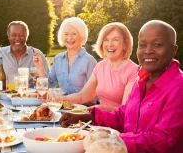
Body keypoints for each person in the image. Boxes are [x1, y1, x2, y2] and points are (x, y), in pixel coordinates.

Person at [59, 20, 183, 153]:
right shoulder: (140, 79)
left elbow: (165, 140)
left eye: (157, 45)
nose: (148, 51)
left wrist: (115, 141)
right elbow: (124, 115)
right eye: (142, 45)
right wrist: (89, 116)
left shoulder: (179, 86)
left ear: (173, 50)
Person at [62, 22, 138, 111]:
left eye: (115, 39)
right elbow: (82, 96)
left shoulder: (134, 71)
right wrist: (57, 99)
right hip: (98, 119)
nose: (110, 44)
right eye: (106, 40)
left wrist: (100, 109)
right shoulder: (101, 66)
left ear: (125, 44)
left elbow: (126, 111)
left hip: (117, 122)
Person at [33, 17, 97, 96]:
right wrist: (40, 68)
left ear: (82, 35)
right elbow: (48, 86)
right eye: (66, 34)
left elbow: (93, 95)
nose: (69, 38)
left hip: (83, 107)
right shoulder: (58, 59)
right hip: (61, 106)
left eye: (74, 34)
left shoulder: (89, 61)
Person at [0, 21, 49, 88]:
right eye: (13, 35)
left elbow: (47, 82)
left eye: (21, 35)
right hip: (4, 97)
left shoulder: (37, 54)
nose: (17, 38)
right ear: (8, 37)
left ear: (26, 36)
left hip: (30, 97)